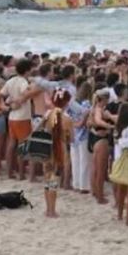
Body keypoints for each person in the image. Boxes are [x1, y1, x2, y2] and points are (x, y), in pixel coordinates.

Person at [1, 59, 35, 181]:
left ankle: (10, 172)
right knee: (22, 146)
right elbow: (26, 94)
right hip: (23, 117)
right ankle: (20, 173)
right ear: (27, 70)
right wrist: (19, 100)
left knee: (11, 145)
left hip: (12, 117)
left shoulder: (10, 81)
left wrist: (9, 104)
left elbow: (2, 94)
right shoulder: (23, 82)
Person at [42, 89, 73, 218]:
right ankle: (52, 210)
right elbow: (71, 138)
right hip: (59, 148)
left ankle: (48, 208)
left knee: (47, 178)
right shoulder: (66, 119)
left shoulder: (48, 114)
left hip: (46, 147)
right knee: (54, 179)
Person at [66, 82, 93, 193]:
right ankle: (84, 186)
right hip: (83, 134)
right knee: (84, 161)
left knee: (75, 160)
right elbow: (85, 117)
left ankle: (76, 184)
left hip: (73, 133)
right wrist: (80, 123)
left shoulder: (72, 103)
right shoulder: (87, 103)